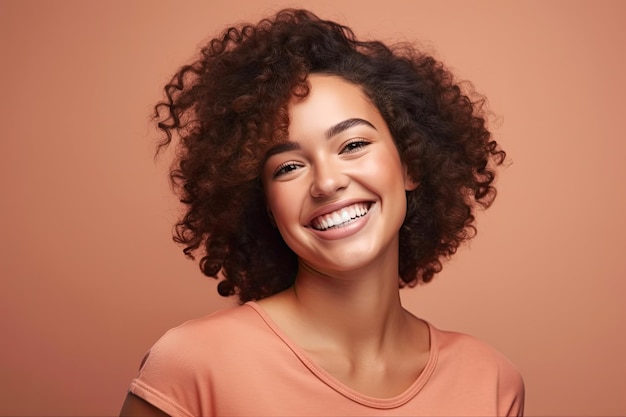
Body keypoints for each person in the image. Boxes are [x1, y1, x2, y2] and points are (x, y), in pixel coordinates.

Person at [120, 8, 524, 417]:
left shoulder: (488, 381)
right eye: (289, 167)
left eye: (352, 145)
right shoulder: (192, 367)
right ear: (265, 204)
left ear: (411, 165)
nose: (327, 183)